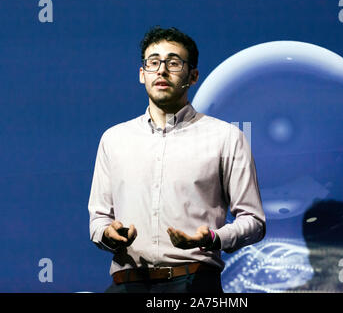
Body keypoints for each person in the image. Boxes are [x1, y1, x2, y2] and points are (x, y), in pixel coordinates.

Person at [88, 26, 266, 293]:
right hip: (127, 283)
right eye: (153, 62)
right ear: (142, 74)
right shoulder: (114, 139)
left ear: (192, 76)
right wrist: (108, 235)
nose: (161, 70)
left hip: (194, 282)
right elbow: (99, 219)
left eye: (173, 62)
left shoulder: (226, 137)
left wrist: (214, 238)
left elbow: (253, 221)